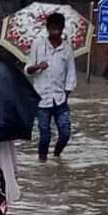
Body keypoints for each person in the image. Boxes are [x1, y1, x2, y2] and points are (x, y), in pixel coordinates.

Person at [26, 11, 77, 162]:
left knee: (65, 133)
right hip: (42, 99)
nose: (56, 32)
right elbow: (28, 70)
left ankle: (56, 156)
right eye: (53, 29)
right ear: (47, 28)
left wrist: (66, 94)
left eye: (58, 29)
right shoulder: (38, 44)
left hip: (60, 99)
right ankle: (42, 161)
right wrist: (38, 66)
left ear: (62, 29)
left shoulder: (67, 48)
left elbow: (71, 74)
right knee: (45, 134)